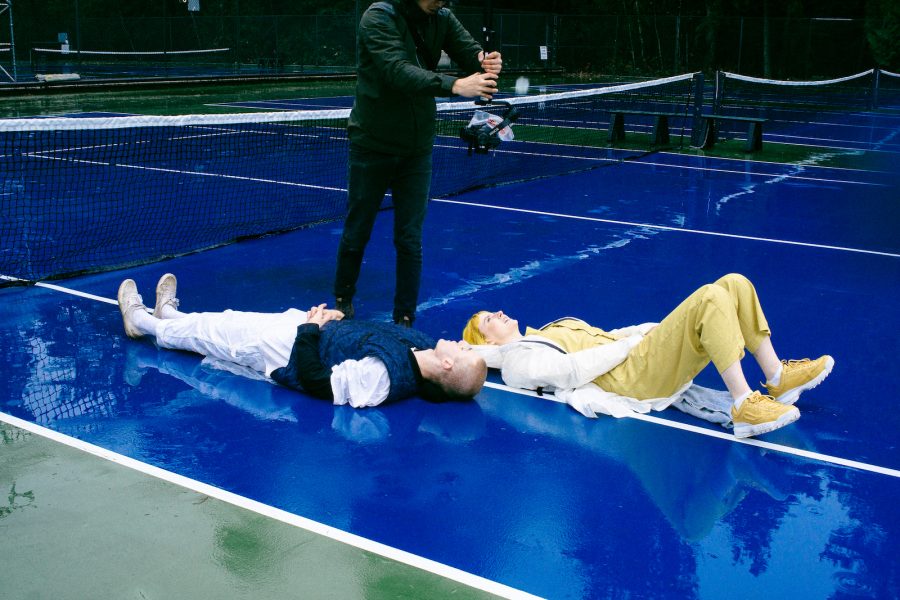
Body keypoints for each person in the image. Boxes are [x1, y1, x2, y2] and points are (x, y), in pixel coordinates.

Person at [462, 274, 834, 438]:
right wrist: (632, 346)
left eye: (491, 311)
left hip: (637, 357)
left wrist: (645, 330)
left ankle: (778, 377)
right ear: (488, 343)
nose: (497, 313)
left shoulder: (548, 329)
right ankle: (743, 405)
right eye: (488, 320)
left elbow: (608, 335)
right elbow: (571, 370)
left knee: (734, 283)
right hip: (629, 379)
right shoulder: (517, 361)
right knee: (710, 296)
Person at [335, 0, 503, 326]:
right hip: (372, 145)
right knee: (358, 230)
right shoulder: (378, 17)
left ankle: (405, 318)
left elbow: (469, 52)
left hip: (417, 149)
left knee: (410, 238)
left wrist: (484, 61)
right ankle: (342, 299)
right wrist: (455, 85)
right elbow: (396, 70)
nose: (442, 0)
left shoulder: (443, 17)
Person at [117, 273, 486, 407]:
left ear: (448, 365)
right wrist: (335, 319)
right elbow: (366, 339)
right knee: (225, 320)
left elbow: (318, 381)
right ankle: (171, 316)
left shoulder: (385, 378)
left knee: (212, 337)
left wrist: (311, 329)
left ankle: (141, 322)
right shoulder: (421, 345)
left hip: (285, 350)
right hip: (304, 329)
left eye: (464, 351)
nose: (463, 343)